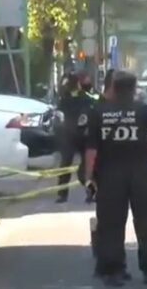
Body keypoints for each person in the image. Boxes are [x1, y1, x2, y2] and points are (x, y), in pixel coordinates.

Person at [84, 71, 147, 287]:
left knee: (111, 225)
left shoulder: (98, 112)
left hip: (110, 175)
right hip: (142, 174)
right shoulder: (144, 110)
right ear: (133, 89)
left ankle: (114, 272)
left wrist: (89, 178)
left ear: (113, 88)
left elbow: (91, 150)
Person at [56, 71, 96, 203]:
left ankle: (91, 192)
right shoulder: (65, 98)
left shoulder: (85, 97)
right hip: (70, 136)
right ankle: (62, 194)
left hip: (83, 135)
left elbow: (93, 106)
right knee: (65, 165)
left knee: (83, 169)